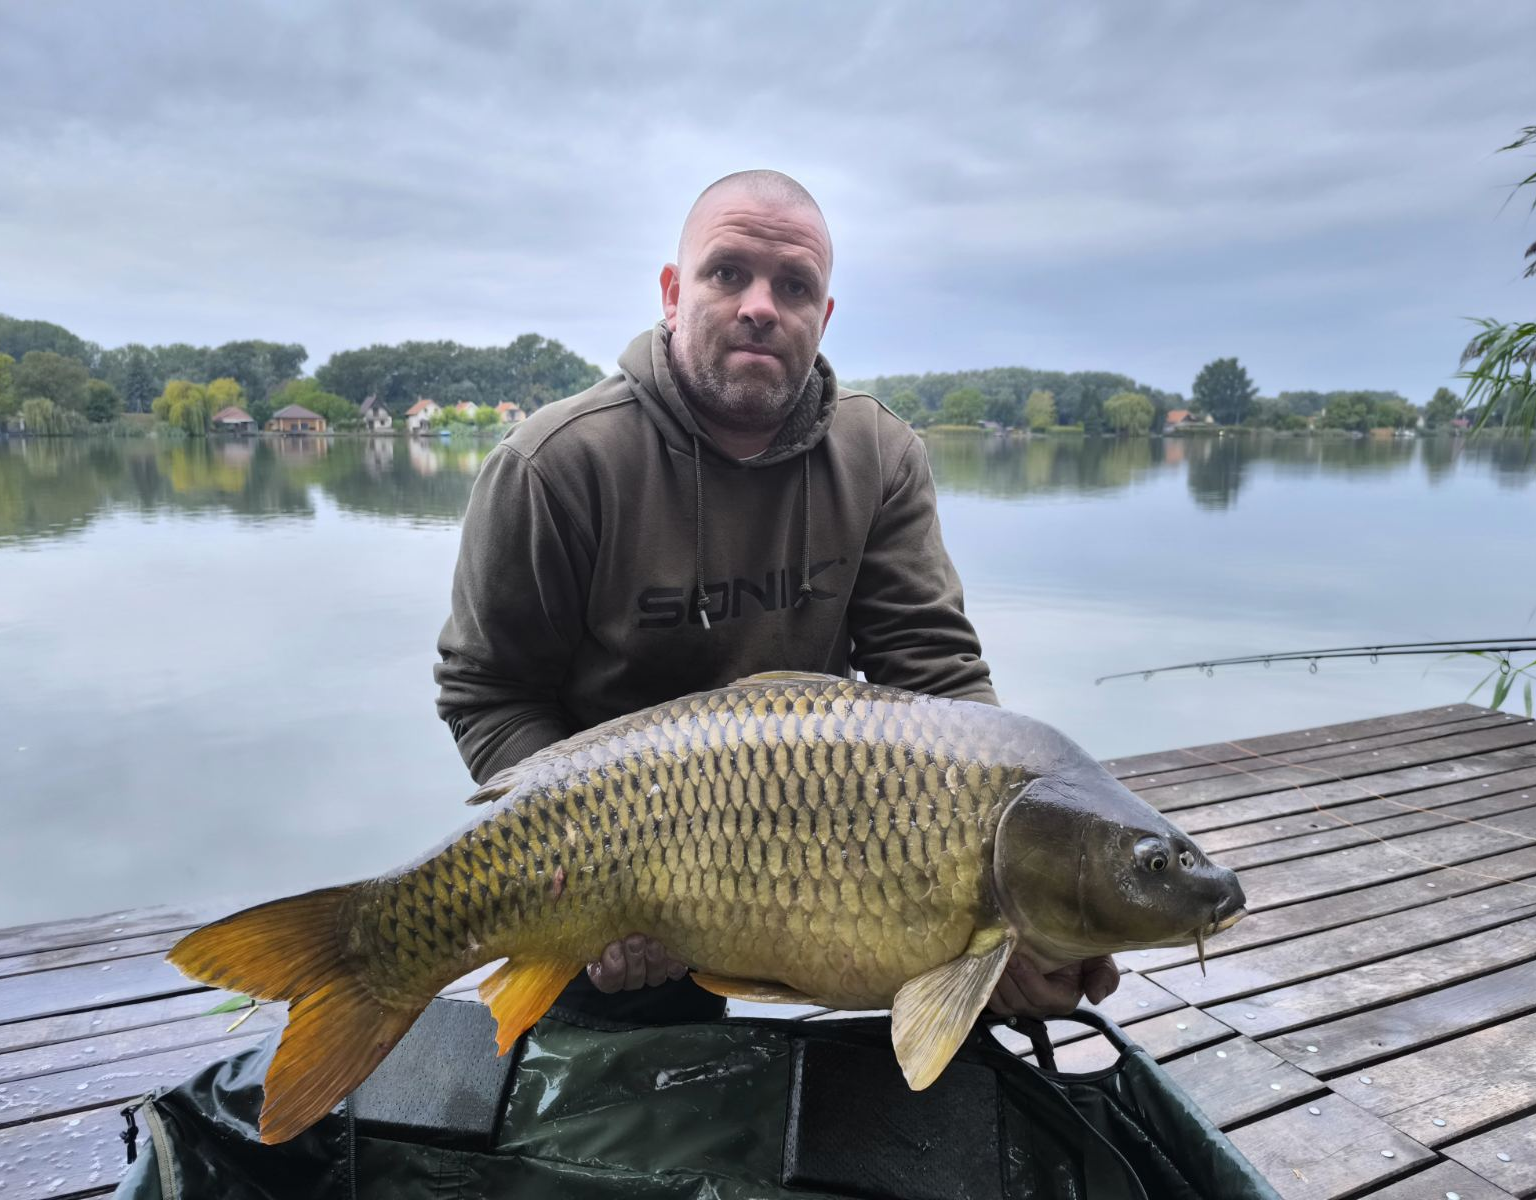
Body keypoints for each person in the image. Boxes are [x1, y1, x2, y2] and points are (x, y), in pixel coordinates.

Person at [434, 169, 1119, 1024]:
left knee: (954, 1004)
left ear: (823, 316)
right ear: (673, 293)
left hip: (812, 857)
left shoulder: (879, 455)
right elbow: (488, 691)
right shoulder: (553, 464)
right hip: (604, 876)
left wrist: (1017, 892)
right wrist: (580, 867)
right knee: (621, 1072)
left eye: (794, 286)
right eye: (728, 273)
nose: (760, 305)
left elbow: (935, 675)